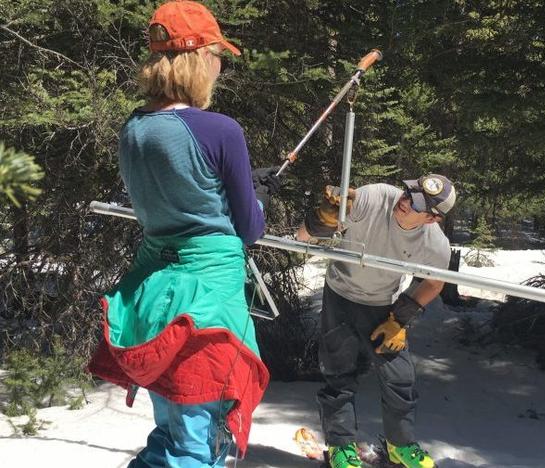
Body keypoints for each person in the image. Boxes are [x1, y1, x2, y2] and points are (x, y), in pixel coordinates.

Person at [87, 2, 280, 466]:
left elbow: (173, 196)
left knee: (171, 422)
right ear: (198, 59)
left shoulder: (134, 127)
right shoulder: (221, 130)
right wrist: (258, 199)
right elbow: (249, 227)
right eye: (217, 55)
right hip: (208, 293)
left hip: (154, 288)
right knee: (198, 435)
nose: (220, 66)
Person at [297, 175, 457, 468]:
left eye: (416, 203)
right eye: (409, 192)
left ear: (432, 219)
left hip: (382, 306)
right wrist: (324, 218)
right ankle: (340, 448)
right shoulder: (376, 197)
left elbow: (434, 284)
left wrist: (400, 319)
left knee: (400, 377)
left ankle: (400, 445)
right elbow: (303, 238)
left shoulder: (434, 244)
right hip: (340, 297)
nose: (405, 200)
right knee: (338, 374)